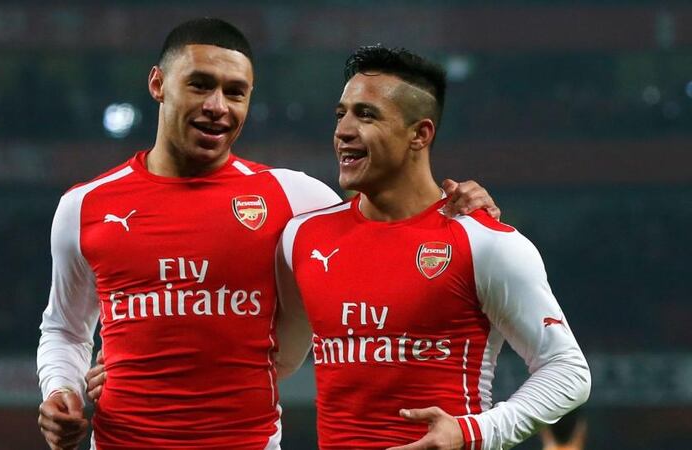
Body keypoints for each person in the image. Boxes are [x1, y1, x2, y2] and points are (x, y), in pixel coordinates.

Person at [37, 19, 500, 450]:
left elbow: (395, 224)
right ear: (158, 84)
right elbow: (65, 328)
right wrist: (62, 390)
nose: (217, 106)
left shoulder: (295, 199)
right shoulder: (85, 205)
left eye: (235, 92)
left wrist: (461, 208)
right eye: (200, 84)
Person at [274, 45, 591, 450]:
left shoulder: (486, 243)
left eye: (366, 115)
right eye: (341, 114)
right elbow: (275, 358)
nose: (343, 130)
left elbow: (568, 370)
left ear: (420, 134)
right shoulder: (301, 237)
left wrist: (473, 432)